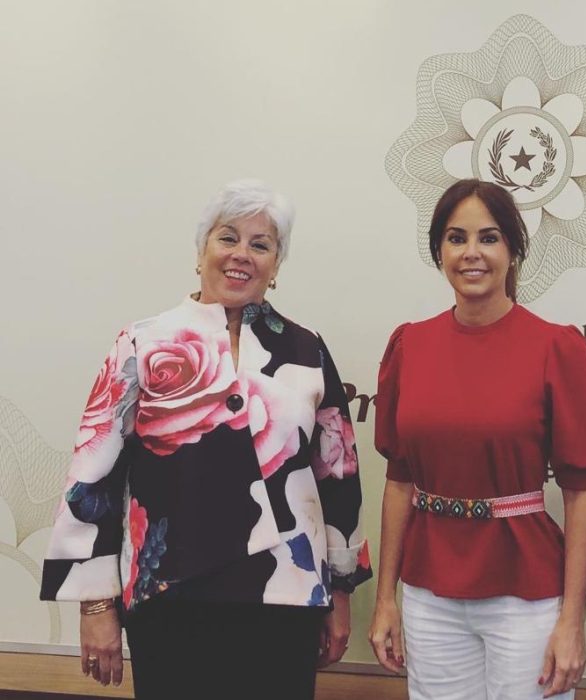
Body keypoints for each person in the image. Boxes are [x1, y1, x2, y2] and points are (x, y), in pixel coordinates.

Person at [40, 179, 371, 699]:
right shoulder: (142, 341)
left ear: (276, 265)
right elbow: (93, 473)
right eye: (228, 238)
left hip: (285, 597)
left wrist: (341, 592)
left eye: (261, 245)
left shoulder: (308, 349)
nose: (242, 255)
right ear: (201, 251)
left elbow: (338, 478)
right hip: (170, 596)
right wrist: (96, 605)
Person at [368, 178, 586, 699]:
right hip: (428, 590)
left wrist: (572, 621)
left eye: (489, 237)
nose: (472, 253)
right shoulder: (411, 344)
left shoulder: (556, 347)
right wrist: (385, 598)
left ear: (513, 250)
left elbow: (582, 494)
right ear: (439, 250)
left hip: (523, 592)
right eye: (457, 238)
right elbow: (399, 482)